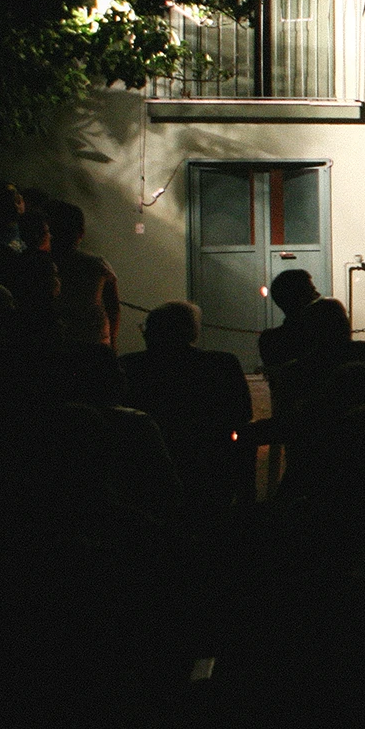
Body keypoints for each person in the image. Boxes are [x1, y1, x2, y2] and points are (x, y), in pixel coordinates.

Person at [119, 301, 254, 509]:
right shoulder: (222, 364)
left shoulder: (129, 366)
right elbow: (243, 413)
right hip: (211, 468)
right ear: (193, 331)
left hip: (148, 472)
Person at [48, 201, 120, 348]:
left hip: (55, 344)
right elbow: (113, 308)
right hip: (93, 343)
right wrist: (112, 343)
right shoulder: (98, 264)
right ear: (81, 233)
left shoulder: (39, 264)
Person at [259, 268, 321, 370]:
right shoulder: (320, 336)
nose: (318, 295)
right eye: (312, 291)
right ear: (299, 299)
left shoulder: (269, 341)